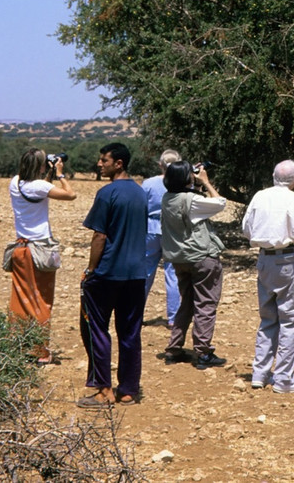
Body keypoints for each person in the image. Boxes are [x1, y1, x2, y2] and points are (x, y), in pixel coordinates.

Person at [77, 142, 149, 409]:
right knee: (130, 331)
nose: (99, 164)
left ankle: (103, 388)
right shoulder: (141, 193)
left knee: (95, 328)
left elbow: (99, 236)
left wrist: (90, 270)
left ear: (118, 163)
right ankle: (128, 390)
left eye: (104, 160)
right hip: (136, 274)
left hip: (107, 273)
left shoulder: (107, 193)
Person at [241, 160, 294, 394]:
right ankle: (284, 378)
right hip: (287, 261)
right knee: (291, 319)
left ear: (273, 176)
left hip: (264, 261)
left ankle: (259, 374)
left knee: (268, 317)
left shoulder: (259, 196)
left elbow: (246, 229)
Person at [8, 148, 76, 363]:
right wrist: (60, 173)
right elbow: (70, 195)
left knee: (20, 298)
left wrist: (46, 172)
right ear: (39, 165)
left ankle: (19, 346)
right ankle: (40, 351)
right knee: (42, 300)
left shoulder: (15, 182)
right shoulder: (40, 186)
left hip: (20, 249)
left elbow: (39, 187)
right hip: (40, 250)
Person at [160, 160, 228, 369]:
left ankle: (174, 348)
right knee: (206, 304)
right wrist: (206, 182)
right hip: (202, 257)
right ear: (187, 178)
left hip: (180, 259)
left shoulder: (167, 198)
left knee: (187, 303)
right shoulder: (191, 200)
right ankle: (203, 352)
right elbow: (220, 203)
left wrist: (194, 186)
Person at [140, 149, 182, 327]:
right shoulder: (182, 183)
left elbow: (141, 206)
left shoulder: (148, 183)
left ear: (160, 165)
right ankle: (174, 318)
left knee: (145, 273)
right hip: (172, 230)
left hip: (150, 228)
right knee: (172, 274)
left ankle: (135, 314)